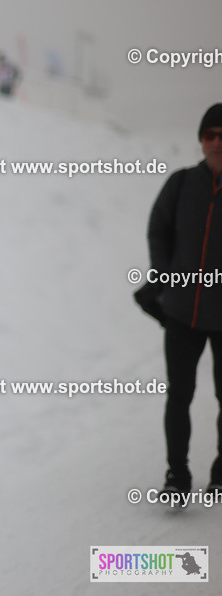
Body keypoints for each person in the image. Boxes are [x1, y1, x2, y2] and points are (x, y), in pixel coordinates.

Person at [139, 103, 222, 498]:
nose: (217, 143)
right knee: (179, 395)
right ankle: (177, 476)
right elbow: (158, 229)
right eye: (210, 135)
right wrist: (163, 273)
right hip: (182, 311)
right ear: (201, 140)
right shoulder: (181, 183)